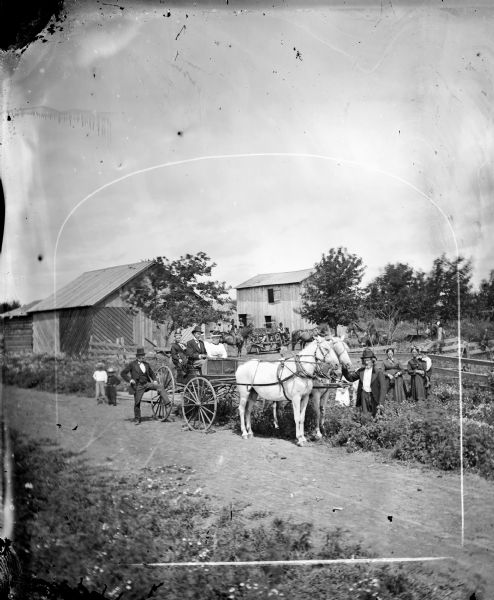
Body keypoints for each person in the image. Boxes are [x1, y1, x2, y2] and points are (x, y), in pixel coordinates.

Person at [121, 347, 170, 425]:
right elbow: (123, 373)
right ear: (137, 357)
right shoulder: (132, 364)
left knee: (160, 386)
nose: (142, 357)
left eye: (143, 356)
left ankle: (167, 404)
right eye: (140, 356)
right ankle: (137, 419)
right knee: (137, 402)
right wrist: (130, 380)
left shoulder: (146, 364)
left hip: (146, 384)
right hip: (138, 385)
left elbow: (152, 374)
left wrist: (155, 380)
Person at [341, 348, 386, 420]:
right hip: (363, 395)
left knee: (376, 415)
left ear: (372, 360)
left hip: (374, 396)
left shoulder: (378, 372)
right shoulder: (361, 371)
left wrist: (381, 402)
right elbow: (350, 378)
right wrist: (344, 369)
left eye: (368, 360)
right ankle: (365, 428)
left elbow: (383, 388)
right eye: (365, 360)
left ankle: (374, 429)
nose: (366, 362)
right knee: (365, 416)